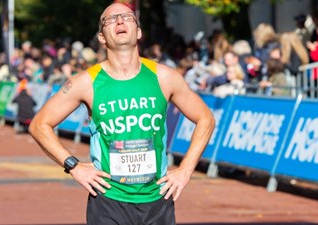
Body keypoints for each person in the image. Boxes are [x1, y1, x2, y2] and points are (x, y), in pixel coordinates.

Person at [29, 3, 215, 225]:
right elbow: (39, 125)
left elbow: (206, 118)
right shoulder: (86, 82)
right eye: (110, 19)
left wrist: (185, 170)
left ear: (138, 32)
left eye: (127, 17)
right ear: (101, 37)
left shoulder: (164, 77)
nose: (119, 21)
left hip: (157, 200)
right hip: (108, 200)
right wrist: (73, 166)